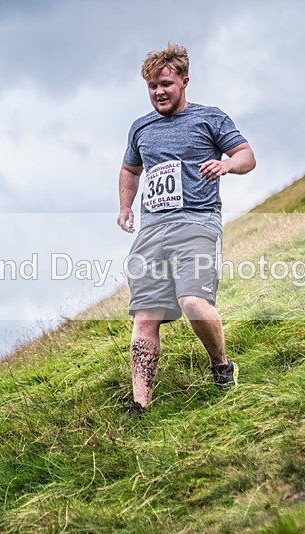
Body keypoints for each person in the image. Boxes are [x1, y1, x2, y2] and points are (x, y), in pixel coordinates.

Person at [116, 43, 256, 419]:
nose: (158, 92)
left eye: (165, 84)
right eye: (151, 87)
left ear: (184, 81)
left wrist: (226, 166)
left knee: (192, 302)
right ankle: (140, 405)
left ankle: (221, 366)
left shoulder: (209, 118)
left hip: (196, 221)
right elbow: (131, 170)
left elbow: (246, 155)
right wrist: (126, 206)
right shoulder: (141, 128)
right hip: (151, 231)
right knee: (145, 317)